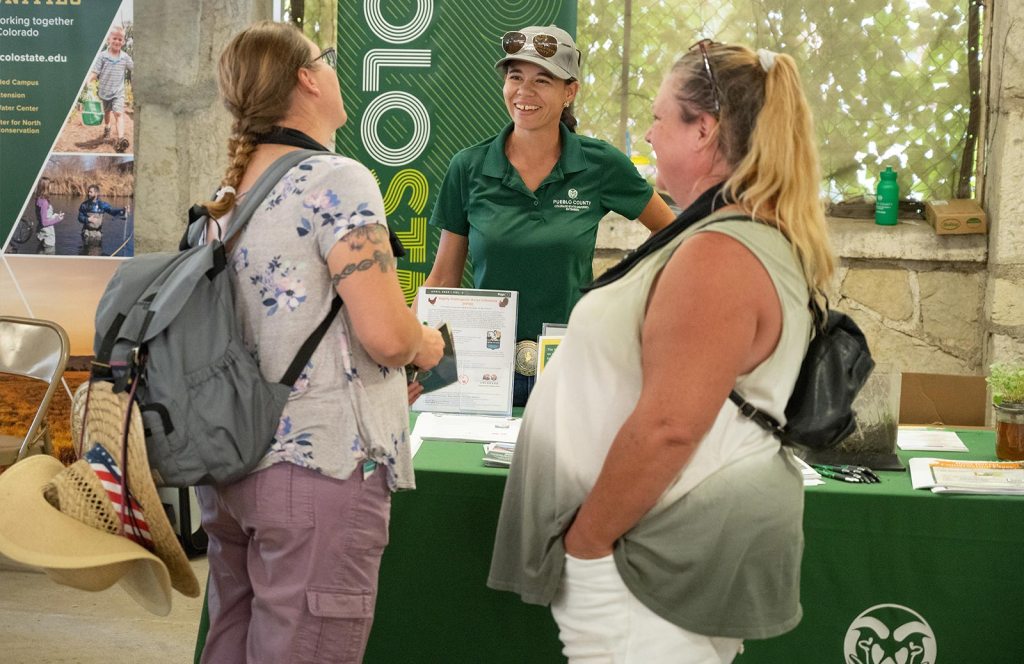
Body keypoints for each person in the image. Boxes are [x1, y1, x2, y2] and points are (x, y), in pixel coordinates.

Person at [488, 40, 836, 663]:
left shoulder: (719, 253)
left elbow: (669, 426)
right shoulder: (729, 234)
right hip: (660, 547)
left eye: (658, 117)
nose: (648, 134)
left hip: (651, 555)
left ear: (703, 129)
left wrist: (588, 542)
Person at [193, 21, 443, 664]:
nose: (333, 70)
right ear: (306, 78)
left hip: (230, 465)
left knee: (233, 639)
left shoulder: (228, 193)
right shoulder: (337, 180)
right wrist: (425, 344)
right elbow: (387, 335)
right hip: (317, 468)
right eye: (325, 59)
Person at [418, 25, 675, 406]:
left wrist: (625, 296)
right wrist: (411, 353)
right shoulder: (468, 167)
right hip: (483, 367)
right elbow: (443, 279)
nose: (524, 91)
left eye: (542, 80)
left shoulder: (600, 163)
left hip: (571, 364)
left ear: (570, 91)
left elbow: (672, 232)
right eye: (515, 77)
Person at [85, 25, 133, 153]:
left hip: (118, 92)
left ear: (123, 42)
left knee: (118, 113)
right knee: (107, 113)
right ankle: (107, 128)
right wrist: (89, 80)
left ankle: (121, 139)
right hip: (104, 92)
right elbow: (95, 72)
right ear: (109, 40)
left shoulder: (125, 57)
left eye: (120, 39)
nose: (117, 41)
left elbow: (134, 67)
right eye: (115, 38)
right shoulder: (102, 56)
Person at [77, 183, 128, 255]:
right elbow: (79, 217)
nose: (88, 193)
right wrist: (87, 219)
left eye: (91, 192)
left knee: (97, 252)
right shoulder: (84, 205)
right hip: (86, 233)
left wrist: (122, 210)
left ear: (96, 193)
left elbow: (112, 211)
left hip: (98, 234)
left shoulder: (102, 205)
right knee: (86, 253)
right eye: (88, 192)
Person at [33, 176, 63, 255]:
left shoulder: (38, 199)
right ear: (45, 187)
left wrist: (55, 216)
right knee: (49, 257)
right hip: (47, 236)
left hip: (41, 233)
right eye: (50, 185)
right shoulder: (44, 202)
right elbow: (44, 222)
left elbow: (43, 217)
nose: (51, 187)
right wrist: (58, 219)